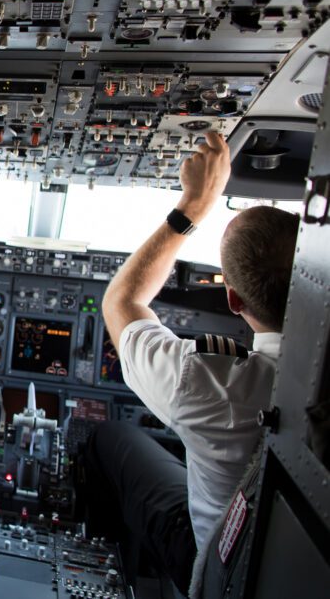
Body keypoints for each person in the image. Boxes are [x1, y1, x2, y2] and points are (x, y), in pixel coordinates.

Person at [88, 131, 300, 592]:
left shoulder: (210, 381)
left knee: (111, 435)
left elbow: (121, 301)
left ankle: (103, 560)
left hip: (215, 571)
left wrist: (195, 205)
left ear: (233, 300)